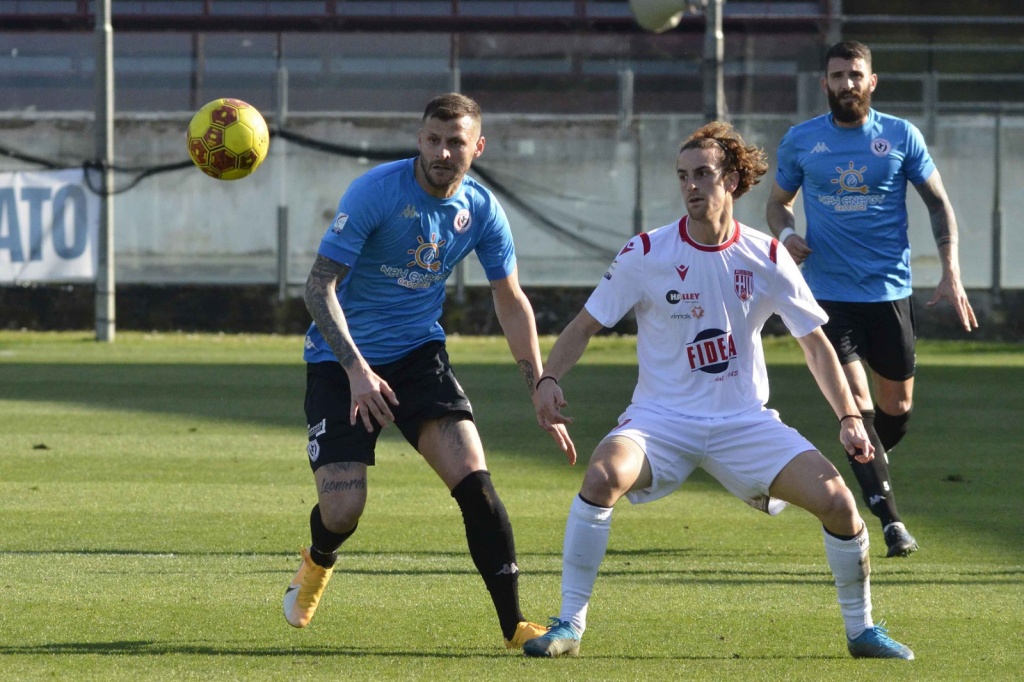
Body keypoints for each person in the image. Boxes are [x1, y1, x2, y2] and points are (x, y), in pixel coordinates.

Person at [523, 121, 914, 660]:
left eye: (703, 174)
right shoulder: (645, 252)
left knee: (840, 505)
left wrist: (849, 415)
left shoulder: (767, 256)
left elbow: (815, 345)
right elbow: (583, 326)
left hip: (745, 422)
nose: (691, 186)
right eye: (683, 176)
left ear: (730, 180)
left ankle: (862, 630)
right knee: (602, 474)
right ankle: (568, 624)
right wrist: (548, 379)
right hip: (660, 420)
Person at [284, 92, 573, 649]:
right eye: (434, 140)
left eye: (456, 142)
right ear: (419, 139)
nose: (443, 152)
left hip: (418, 357)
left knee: (477, 484)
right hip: (339, 361)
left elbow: (510, 299)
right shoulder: (377, 191)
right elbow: (319, 286)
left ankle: (515, 626)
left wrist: (538, 381)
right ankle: (318, 560)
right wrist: (357, 370)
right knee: (343, 511)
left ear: (477, 147)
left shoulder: (482, 210)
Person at [765, 40, 978, 558]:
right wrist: (787, 234)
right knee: (856, 407)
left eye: (855, 75)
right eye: (837, 76)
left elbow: (938, 204)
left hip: (889, 293)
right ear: (825, 84)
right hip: (828, 296)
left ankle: (848, 466)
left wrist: (951, 270)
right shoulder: (801, 142)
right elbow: (776, 205)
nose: (846, 84)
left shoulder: (901, 136)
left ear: (872, 81)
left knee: (895, 408)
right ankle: (890, 521)